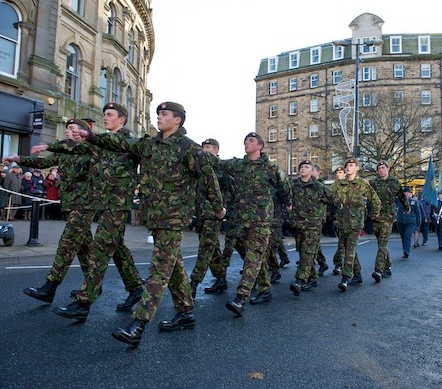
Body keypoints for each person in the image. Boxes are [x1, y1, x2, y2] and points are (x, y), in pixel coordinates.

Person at [70, 101, 224, 347]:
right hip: (154, 215)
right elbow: (120, 142)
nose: (159, 118)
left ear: (178, 120)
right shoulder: (150, 144)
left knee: (159, 269)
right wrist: (89, 135)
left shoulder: (190, 149)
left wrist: (218, 208)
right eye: (159, 114)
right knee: (173, 265)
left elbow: (209, 181)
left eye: (164, 114)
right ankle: (185, 312)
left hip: (174, 218)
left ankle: (138, 325)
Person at [36, 103, 144, 321]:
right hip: (101, 203)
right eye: (104, 114)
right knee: (117, 248)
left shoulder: (130, 142)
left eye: (110, 115)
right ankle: (136, 288)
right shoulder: (99, 143)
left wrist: (90, 135)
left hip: (117, 205)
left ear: (121, 120)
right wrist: (49, 145)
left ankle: (84, 302)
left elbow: (113, 142)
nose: (106, 118)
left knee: (101, 248)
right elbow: (72, 147)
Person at [4, 118, 95, 304]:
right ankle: (93, 285)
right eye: (66, 128)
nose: (67, 131)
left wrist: (49, 145)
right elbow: (43, 163)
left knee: (67, 244)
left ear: (82, 132)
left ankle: (49, 287)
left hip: (84, 205)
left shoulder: (90, 150)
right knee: (85, 249)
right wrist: (17, 159)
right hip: (71, 204)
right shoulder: (64, 152)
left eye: (71, 128)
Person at [220, 132, 292, 316]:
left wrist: (287, 204)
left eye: (251, 140)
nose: (246, 142)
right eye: (245, 140)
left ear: (260, 146)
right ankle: (265, 289)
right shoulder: (238, 166)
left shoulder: (270, 167)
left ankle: (241, 298)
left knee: (254, 256)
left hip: (261, 219)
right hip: (242, 219)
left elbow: (284, 187)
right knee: (251, 256)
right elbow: (218, 164)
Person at [330, 158, 381, 292]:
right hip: (342, 222)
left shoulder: (362, 183)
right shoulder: (340, 184)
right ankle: (357, 275)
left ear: (357, 168)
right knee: (349, 248)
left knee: (350, 249)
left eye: (352, 165)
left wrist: (374, 214)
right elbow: (328, 196)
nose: (348, 167)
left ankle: (346, 277)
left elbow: (375, 199)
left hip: (356, 223)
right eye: (347, 165)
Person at [288, 160, 335, 295]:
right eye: (301, 166)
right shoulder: (294, 185)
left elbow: (334, 200)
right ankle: (312, 278)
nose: (303, 168)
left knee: (308, 253)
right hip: (297, 225)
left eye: (306, 167)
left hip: (313, 226)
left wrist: (327, 215)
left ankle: (300, 280)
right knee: (303, 253)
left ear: (312, 170)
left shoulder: (318, 186)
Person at [189, 138, 228, 298]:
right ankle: (221, 278)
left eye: (209, 147)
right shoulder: (199, 167)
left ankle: (194, 283)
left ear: (216, 150)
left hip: (213, 213)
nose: (205, 150)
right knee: (213, 248)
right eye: (204, 147)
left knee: (205, 248)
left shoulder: (219, 167)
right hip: (201, 213)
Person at [369, 160, 407, 282]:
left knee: (383, 243)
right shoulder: (374, 183)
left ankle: (378, 270)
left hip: (388, 217)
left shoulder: (394, 182)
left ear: (388, 169)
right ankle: (388, 266)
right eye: (379, 168)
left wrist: (407, 207)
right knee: (381, 244)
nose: (381, 170)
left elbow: (402, 196)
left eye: (383, 168)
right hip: (376, 217)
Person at [396, 186, 420, 259]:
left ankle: (407, 251)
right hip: (401, 221)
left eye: (410, 193)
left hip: (410, 222)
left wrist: (418, 222)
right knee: (403, 237)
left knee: (407, 237)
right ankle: (405, 250)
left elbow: (417, 213)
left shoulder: (413, 202)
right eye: (407, 192)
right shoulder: (399, 201)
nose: (409, 194)